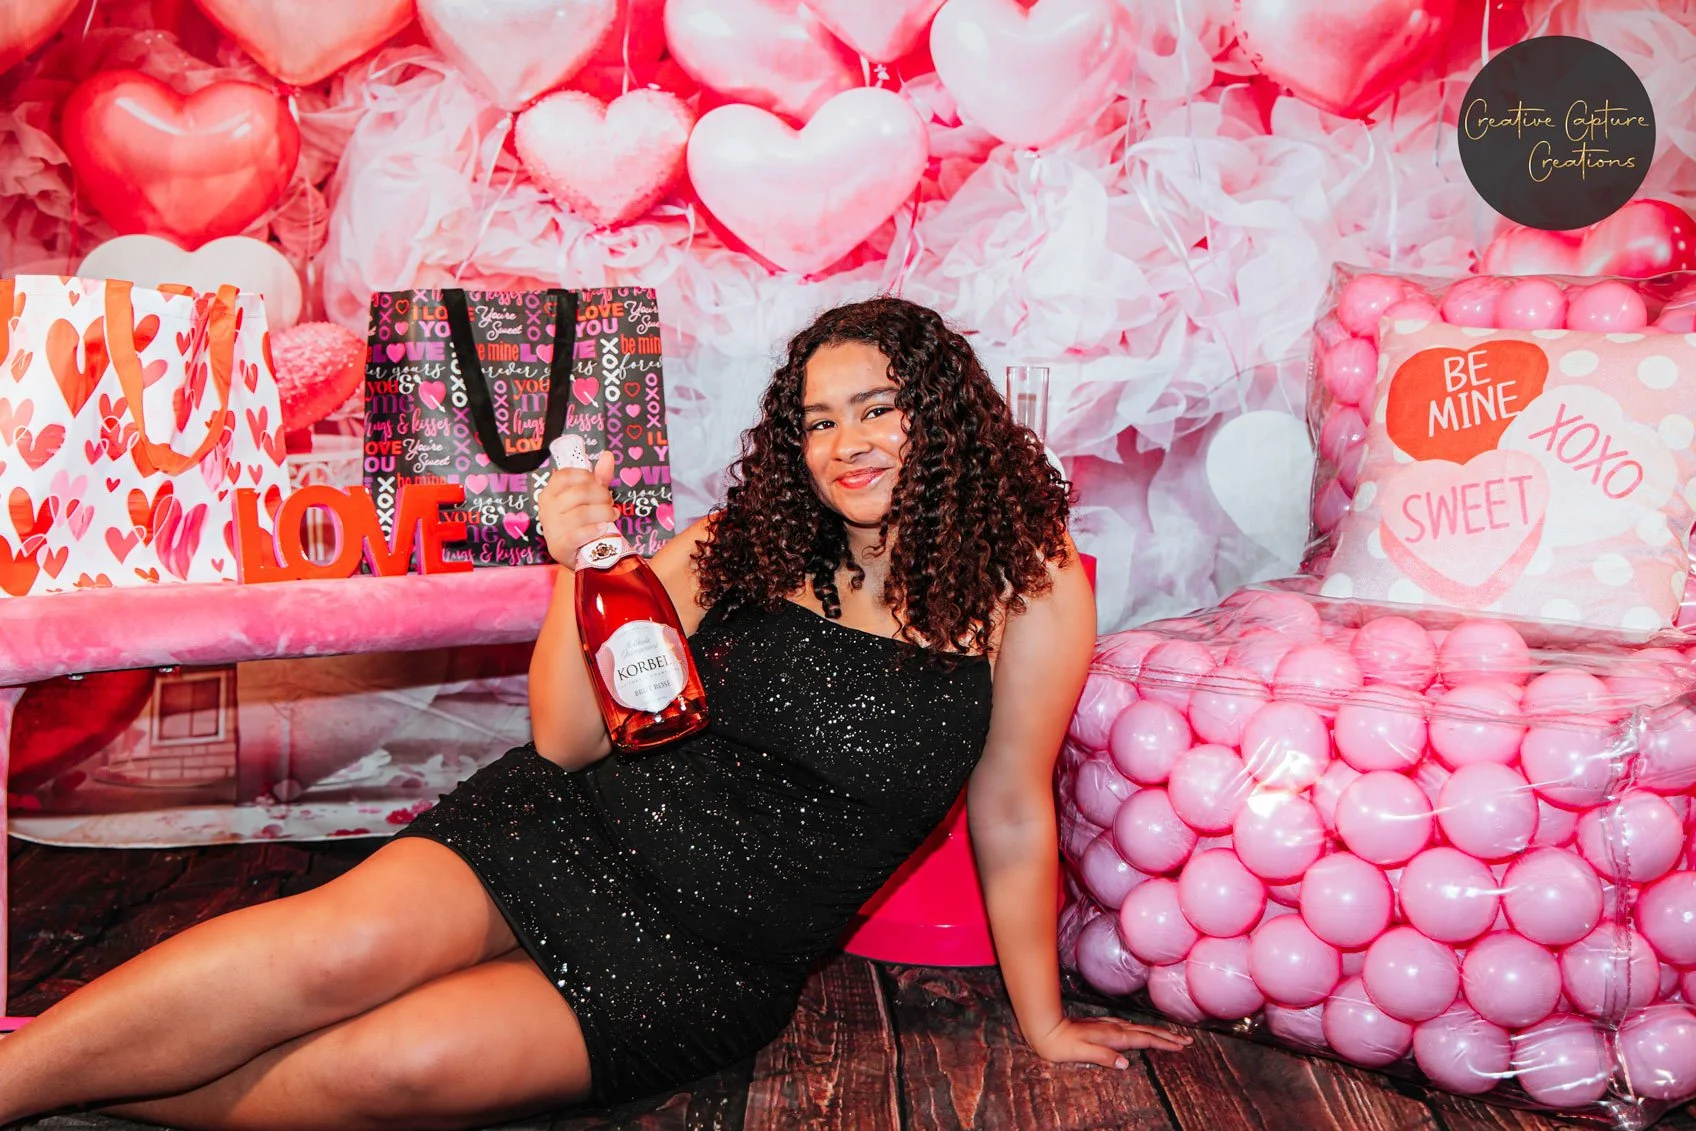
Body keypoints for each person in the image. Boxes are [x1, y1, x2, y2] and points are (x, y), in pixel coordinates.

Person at [0, 297, 1188, 1129]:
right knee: (339, 949)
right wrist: (584, 565)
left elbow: (1013, 811)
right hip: (565, 831)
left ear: (943, 414)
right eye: (820, 421)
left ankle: (68, 1085)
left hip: (706, 962)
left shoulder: (1026, 589)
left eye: (876, 408)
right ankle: (24, 1086)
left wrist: (1042, 1025)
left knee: (402, 1068)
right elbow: (568, 742)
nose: (846, 444)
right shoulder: (744, 545)